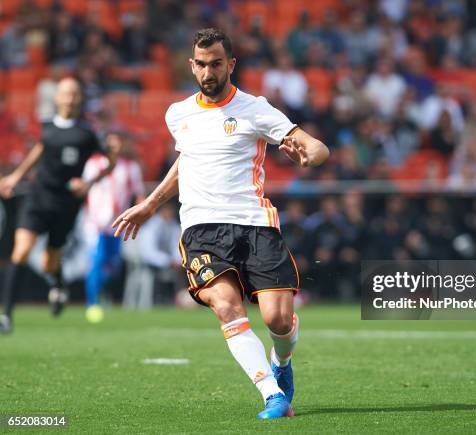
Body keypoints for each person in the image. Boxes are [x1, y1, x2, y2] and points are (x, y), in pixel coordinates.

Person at [113, 28, 329, 418]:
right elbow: (188, 160)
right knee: (226, 306)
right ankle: (272, 394)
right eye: (201, 65)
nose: (208, 72)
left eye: (216, 64)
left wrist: (311, 155)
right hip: (201, 227)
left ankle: (282, 362)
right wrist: (148, 204)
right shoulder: (178, 114)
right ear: (191, 66)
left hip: (255, 223)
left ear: (231, 64)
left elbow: (315, 146)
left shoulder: (256, 108)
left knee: (277, 320)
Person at [0, 78, 116, 334]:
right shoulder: (47, 127)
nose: (70, 98)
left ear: (80, 98)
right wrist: (15, 177)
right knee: (20, 252)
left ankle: (58, 284)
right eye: (65, 93)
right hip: (38, 198)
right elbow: (39, 152)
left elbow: (111, 162)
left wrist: (88, 182)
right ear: (57, 98)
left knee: (49, 263)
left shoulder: (87, 133)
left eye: (74, 94)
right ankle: (6, 315)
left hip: (65, 204)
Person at [82, 131, 145, 322]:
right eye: (110, 143)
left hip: (118, 225)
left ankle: (103, 293)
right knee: (98, 260)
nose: (114, 147)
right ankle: (92, 303)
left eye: (117, 143)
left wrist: (141, 213)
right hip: (95, 223)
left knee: (113, 264)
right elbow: (85, 187)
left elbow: (139, 193)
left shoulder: (131, 167)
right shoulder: (94, 163)